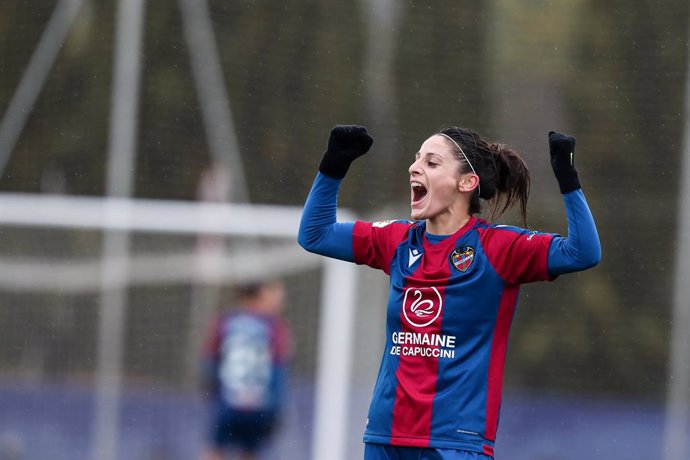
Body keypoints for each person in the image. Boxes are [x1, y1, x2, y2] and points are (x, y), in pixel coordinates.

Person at [298, 125, 600, 460]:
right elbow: (316, 234)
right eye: (416, 160)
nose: (415, 167)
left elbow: (582, 252)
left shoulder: (499, 247)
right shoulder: (397, 240)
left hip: (456, 441)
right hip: (386, 435)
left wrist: (568, 179)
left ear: (467, 182)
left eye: (431, 162)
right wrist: (333, 165)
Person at [200, 278, 292, 460]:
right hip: (259, 405)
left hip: (228, 402)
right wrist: (278, 408)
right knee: (249, 452)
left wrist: (210, 391)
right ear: (259, 296)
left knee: (215, 448)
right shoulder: (274, 326)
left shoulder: (225, 321)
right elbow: (278, 368)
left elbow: (209, 359)